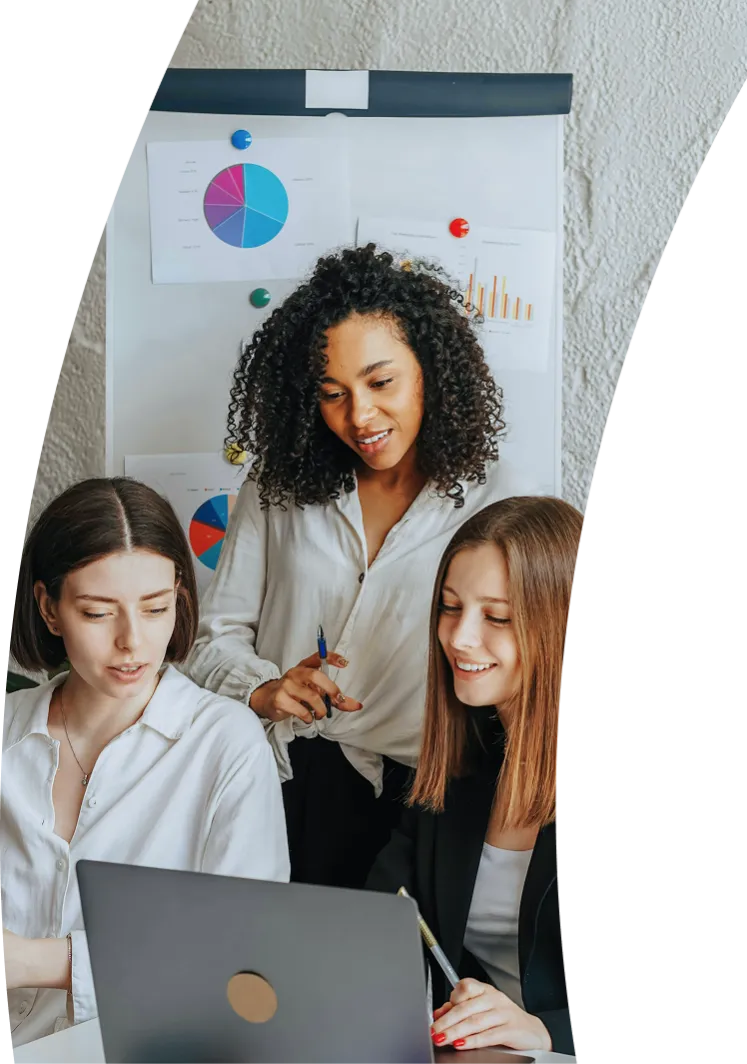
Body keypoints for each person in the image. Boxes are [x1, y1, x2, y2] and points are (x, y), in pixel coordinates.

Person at [183, 243, 531, 889]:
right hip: (282, 780)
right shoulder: (278, 484)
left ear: (431, 369)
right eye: (332, 393)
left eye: (381, 382)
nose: (360, 416)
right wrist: (264, 689)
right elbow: (212, 640)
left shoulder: (502, 500)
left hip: (429, 795)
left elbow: (526, 665)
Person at [1, 477, 290, 1050]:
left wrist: (35, 962)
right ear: (49, 609)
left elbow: (246, 962)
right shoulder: (7, 730)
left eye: (156, 608)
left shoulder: (224, 744)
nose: (133, 641)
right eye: (97, 613)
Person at [366, 495, 582, 1057]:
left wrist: (546, 1030)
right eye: (450, 606)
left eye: (497, 617)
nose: (459, 638)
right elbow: (376, 923)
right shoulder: (461, 768)